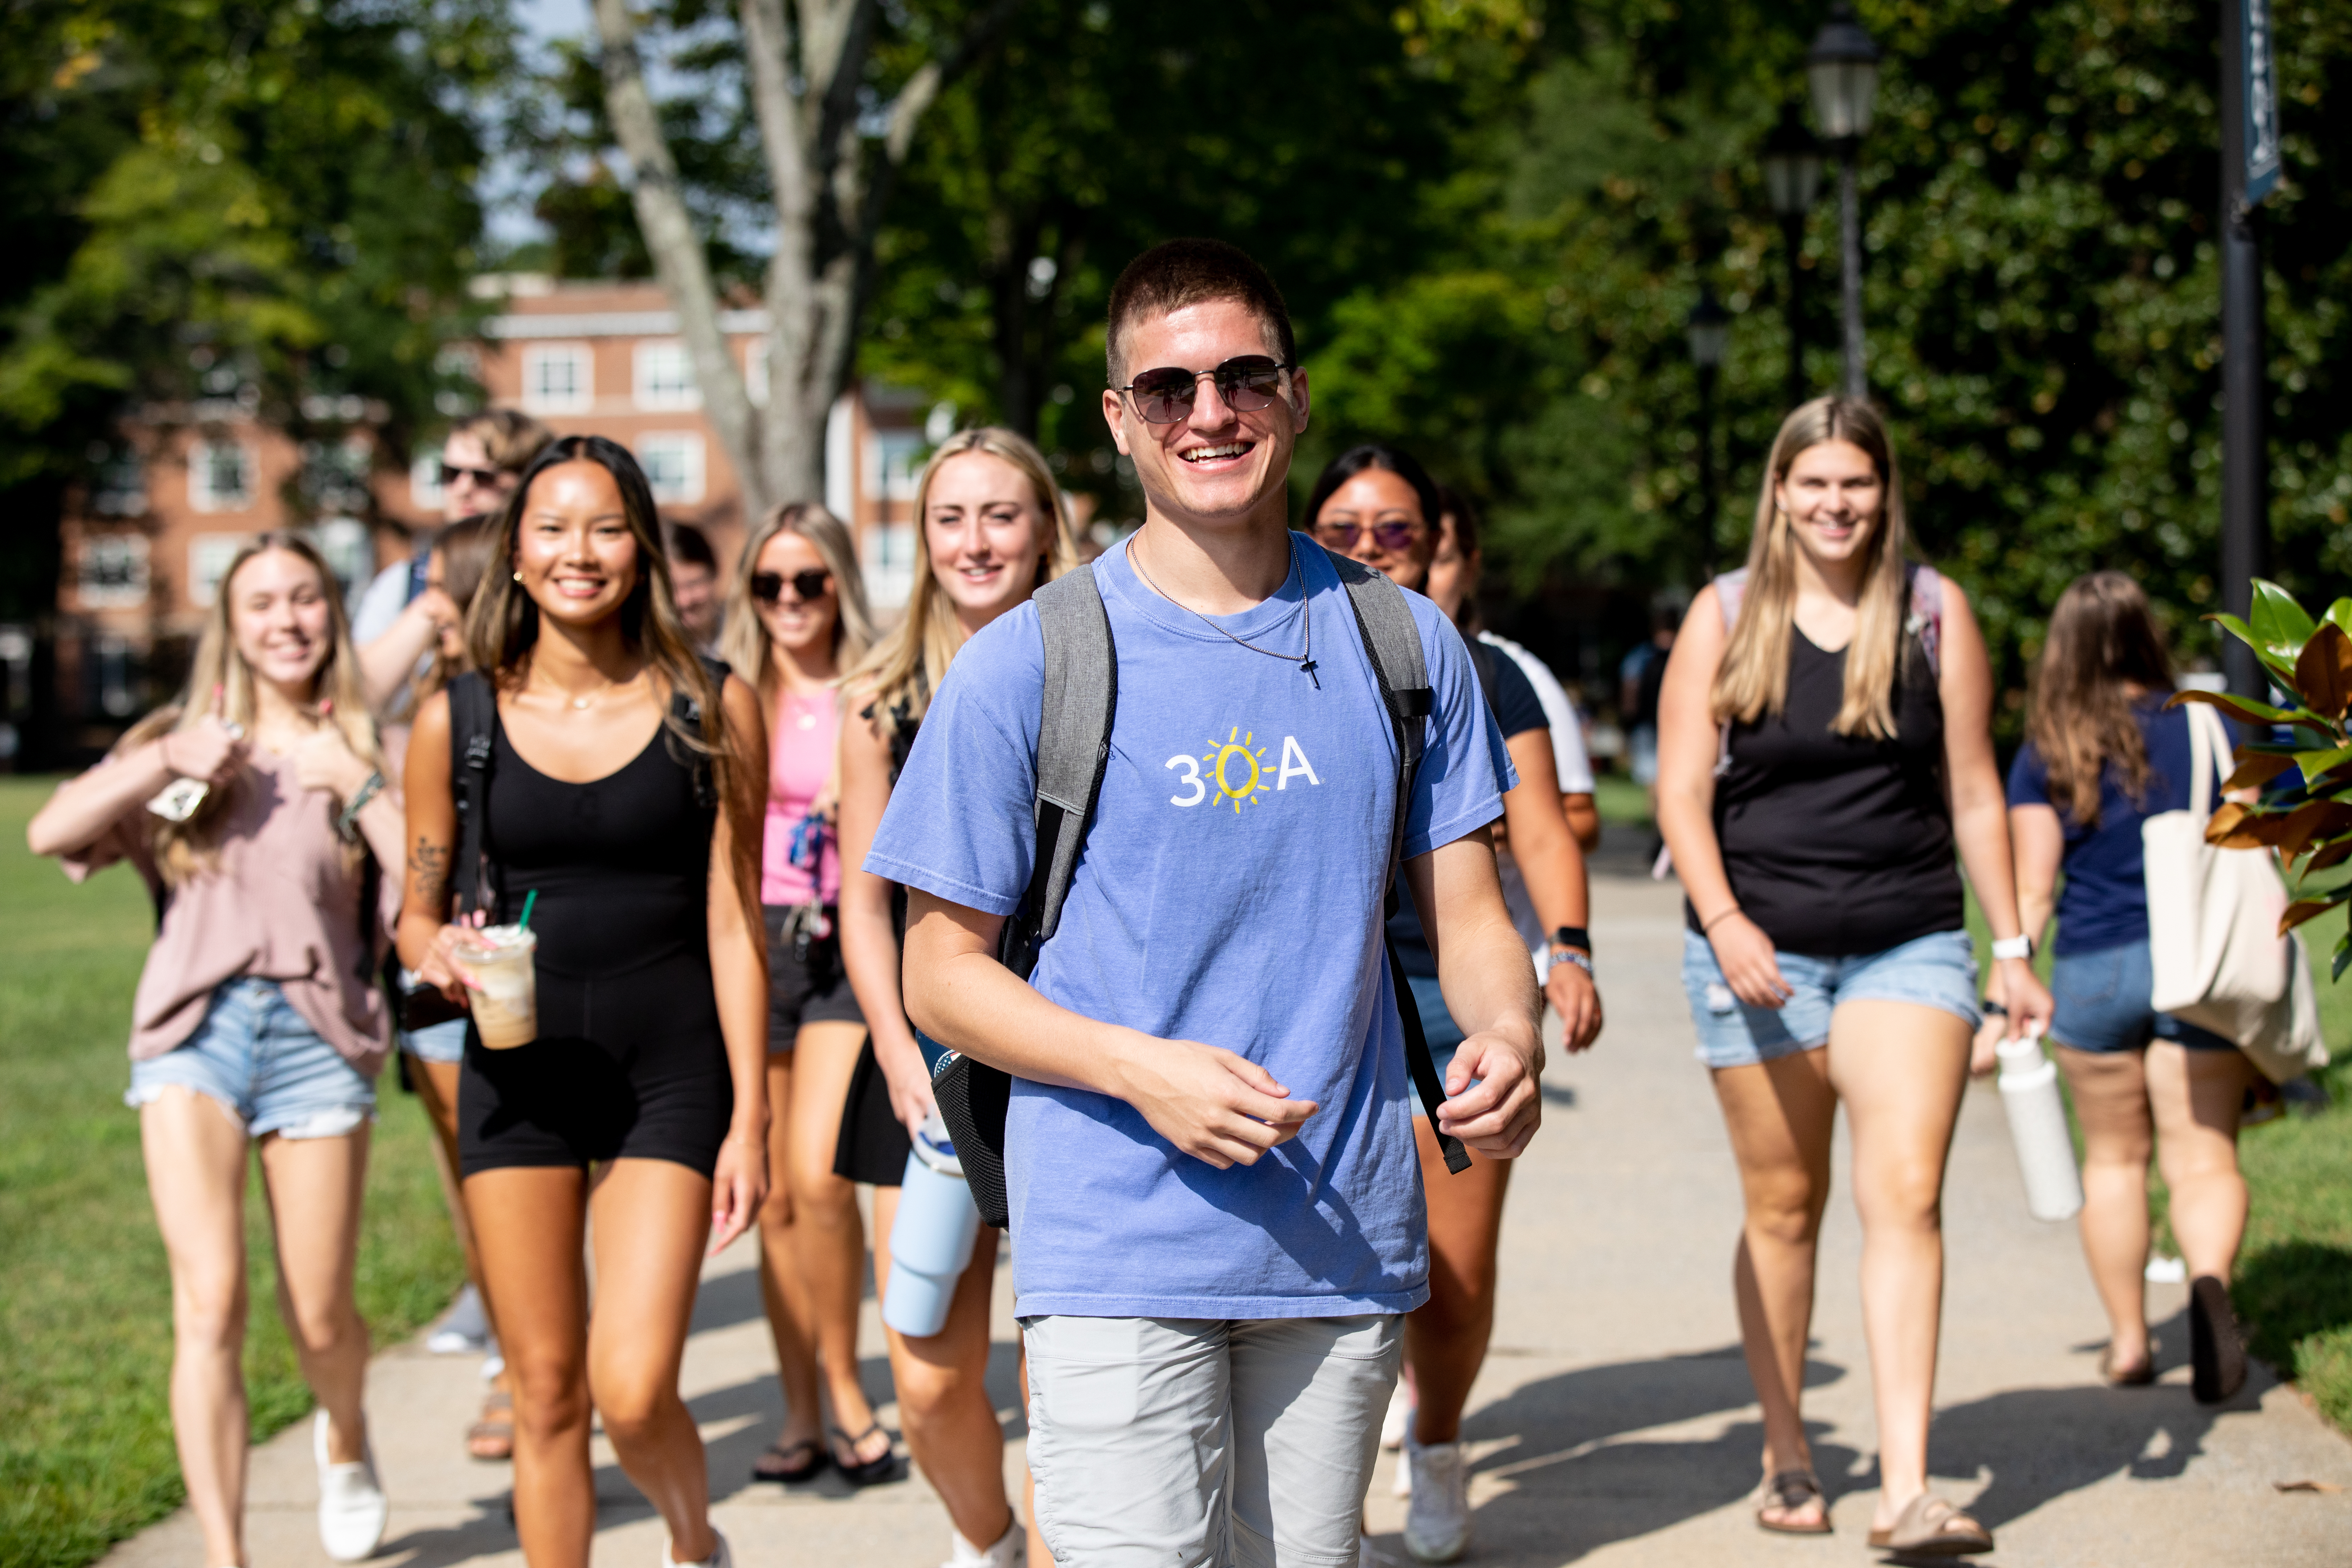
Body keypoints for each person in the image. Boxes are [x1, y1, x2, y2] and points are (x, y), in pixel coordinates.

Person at [873, 238, 1542, 1568]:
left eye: (1240, 378)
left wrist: (1508, 1040)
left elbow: (1466, 915)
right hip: (1114, 1231)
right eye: (1168, 389)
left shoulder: (1401, 645)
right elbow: (938, 975)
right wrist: (1140, 1073)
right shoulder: (1028, 666)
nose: (1209, 413)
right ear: (1120, 420)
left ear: (1292, 396)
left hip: (1338, 1229)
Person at [1653, 396, 2053, 1555]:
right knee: (1785, 1207)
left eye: (1857, 485)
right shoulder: (1725, 613)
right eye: (1814, 484)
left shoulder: (1934, 614)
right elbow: (1681, 790)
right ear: (1779, 491)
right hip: (1755, 947)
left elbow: (1976, 790)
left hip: (1908, 938)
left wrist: (2014, 946)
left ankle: (1907, 1489)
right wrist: (1724, 921)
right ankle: (1788, 1455)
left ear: (1886, 494)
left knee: (1907, 1195)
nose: (1836, 505)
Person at [396, 435, 769, 1568]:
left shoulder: (715, 704)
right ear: (514, 554)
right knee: (549, 1392)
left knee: (634, 1383)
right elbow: (413, 911)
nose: (580, 553)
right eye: (552, 529)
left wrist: (750, 1116)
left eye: (606, 527)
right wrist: (438, 951)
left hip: (671, 1069)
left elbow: (735, 923)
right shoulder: (452, 720)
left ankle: (693, 1541)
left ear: (643, 547)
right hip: (518, 1073)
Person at [28, 533, 407, 1568]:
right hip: (193, 1033)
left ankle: (345, 1433)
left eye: (305, 599)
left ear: (331, 614)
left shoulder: (370, 739)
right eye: (262, 603)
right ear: (231, 625)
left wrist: (362, 788)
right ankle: (227, 1553)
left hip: (319, 1038)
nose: (286, 619)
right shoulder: (183, 739)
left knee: (321, 1310)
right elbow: (50, 835)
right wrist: (165, 760)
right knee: (209, 1301)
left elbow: (421, 896)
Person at [1310, 447, 1602, 1564]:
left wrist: (1564, 948)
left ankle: (1435, 1440)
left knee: (1451, 1273)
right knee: (1321, 1274)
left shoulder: (1482, 672)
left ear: (1435, 542)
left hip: (1442, 989)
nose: (1370, 549)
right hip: (1311, 993)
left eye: (1394, 531)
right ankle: (1326, 1506)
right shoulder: (1275, 653)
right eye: (1343, 529)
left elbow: (1538, 830)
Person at [835, 427, 1082, 1567]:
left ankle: (1056, 1546)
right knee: (926, 1364)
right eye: (951, 517)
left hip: (1071, 1056)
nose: (976, 541)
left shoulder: (1099, 676)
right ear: (923, 538)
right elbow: (863, 903)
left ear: (1044, 532)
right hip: (926, 1059)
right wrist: (893, 1048)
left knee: (1063, 1371)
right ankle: (986, 1542)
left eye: (1000, 515)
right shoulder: (880, 700)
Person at [1998, 571, 2252, 1402]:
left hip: (2096, 967)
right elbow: (2268, 833)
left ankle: (2130, 1342)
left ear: (2063, 648)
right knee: (2203, 1154)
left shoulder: (2049, 748)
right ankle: (2208, 1281)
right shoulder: (2214, 726)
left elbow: (2033, 888)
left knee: (2114, 1160)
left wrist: (2011, 986)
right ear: (2149, 633)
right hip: (2200, 967)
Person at [715, 503, 894, 1487]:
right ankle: (797, 1410)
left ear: (839, 584)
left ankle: (846, 1387)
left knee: (822, 1179)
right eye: (770, 584)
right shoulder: (727, 693)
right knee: (772, 1195)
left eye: (810, 581)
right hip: (753, 949)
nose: (791, 602)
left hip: (840, 947)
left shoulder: (874, 687)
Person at [377, 513, 522, 1459]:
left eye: (441, 605)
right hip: (438, 984)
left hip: (533, 972)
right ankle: (515, 1366)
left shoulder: (531, 702)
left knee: (538, 1183)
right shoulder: (424, 707)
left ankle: (542, 1360)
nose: (426, 622)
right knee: (478, 1186)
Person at [1430, 485, 1599, 856]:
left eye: (1440, 560)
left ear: (1471, 569)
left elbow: (1584, 820)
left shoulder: (1514, 673)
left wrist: (1516, 828)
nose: (1424, 577)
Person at [357, 409, 554, 708]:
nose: (463, 489)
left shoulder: (549, 578)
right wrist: (439, 593)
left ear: (529, 482)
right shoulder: (408, 581)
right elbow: (361, 696)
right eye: (451, 474)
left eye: (483, 477)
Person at [1618, 600, 1676, 841]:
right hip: (1678, 728)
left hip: (1647, 728)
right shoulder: (1688, 652)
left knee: (1654, 784)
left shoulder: (1640, 656)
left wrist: (1627, 723)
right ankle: (1671, 835)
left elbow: (1630, 692)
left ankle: (1660, 834)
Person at [666, 520, 725, 656]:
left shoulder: (747, 635)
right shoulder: (650, 653)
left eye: (694, 584)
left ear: (715, 571)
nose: (684, 601)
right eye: (672, 588)